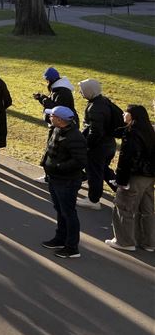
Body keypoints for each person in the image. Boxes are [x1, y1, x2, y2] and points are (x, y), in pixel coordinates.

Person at [105, 104, 155, 252]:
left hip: (134, 176)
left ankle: (124, 241)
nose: (123, 115)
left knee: (123, 207)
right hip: (149, 176)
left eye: (126, 112)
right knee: (147, 209)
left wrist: (121, 180)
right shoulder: (149, 130)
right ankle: (149, 242)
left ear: (133, 116)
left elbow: (127, 159)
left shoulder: (132, 133)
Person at [40, 106, 88, 259]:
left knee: (68, 213)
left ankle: (72, 248)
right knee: (60, 210)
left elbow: (80, 161)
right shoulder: (57, 129)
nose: (49, 117)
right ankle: (60, 239)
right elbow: (51, 149)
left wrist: (59, 167)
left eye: (52, 115)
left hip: (66, 181)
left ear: (60, 120)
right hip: (55, 178)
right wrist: (45, 163)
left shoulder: (75, 137)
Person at [77, 78, 120, 210]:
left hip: (98, 147)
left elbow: (95, 132)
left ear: (90, 91)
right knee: (104, 170)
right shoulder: (104, 101)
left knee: (94, 173)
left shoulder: (95, 108)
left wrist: (87, 145)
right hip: (109, 144)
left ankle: (93, 200)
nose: (80, 93)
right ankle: (120, 191)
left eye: (82, 91)